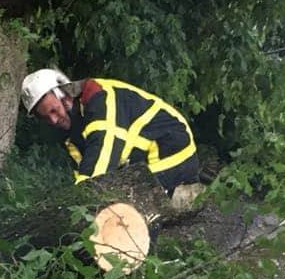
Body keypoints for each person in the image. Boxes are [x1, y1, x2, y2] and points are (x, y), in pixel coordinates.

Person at [20, 68, 199, 195]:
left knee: (135, 200)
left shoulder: (101, 99)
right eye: (45, 117)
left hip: (173, 153)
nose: (53, 120)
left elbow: (103, 157)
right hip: (142, 162)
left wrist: (82, 198)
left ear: (64, 95)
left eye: (53, 110)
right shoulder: (72, 133)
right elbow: (83, 171)